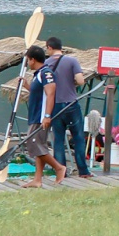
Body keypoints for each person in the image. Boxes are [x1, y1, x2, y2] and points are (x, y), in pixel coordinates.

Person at [18, 45, 66, 188]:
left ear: (33, 59)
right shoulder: (38, 74)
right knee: (40, 146)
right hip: (35, 115)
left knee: (33, 143)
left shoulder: (46, 74)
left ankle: (59, 167)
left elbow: (50, 94)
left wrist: (47, 115)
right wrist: (27, 85)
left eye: (28, 60)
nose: (28, 63)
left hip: (41, 117)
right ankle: (37, 179)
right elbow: (38, 93)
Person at [44, 36, 91, 177]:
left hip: (55, 106)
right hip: (71, 104)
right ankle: (83, 171)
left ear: (50, 47)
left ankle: (61, 171)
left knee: (58, 139)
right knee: (78, 138)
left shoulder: (46, 64)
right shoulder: (72, 60)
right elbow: (81, 81)